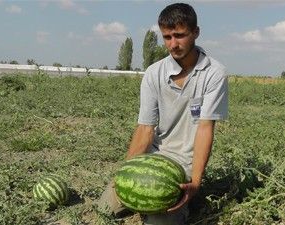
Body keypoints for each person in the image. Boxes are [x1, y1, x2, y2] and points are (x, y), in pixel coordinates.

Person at [97, 2, 228, 225]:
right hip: (154, 158)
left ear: (196, 32)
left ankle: (186, 205)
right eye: (167, 37)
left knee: (160, 223)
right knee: (105, 208)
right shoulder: (154, 73)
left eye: (179, 35)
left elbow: (205, 128)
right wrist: (127, 173)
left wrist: (195, 182)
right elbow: (145, 128)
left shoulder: (214, 73)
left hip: (183, 167)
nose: (173, 44)